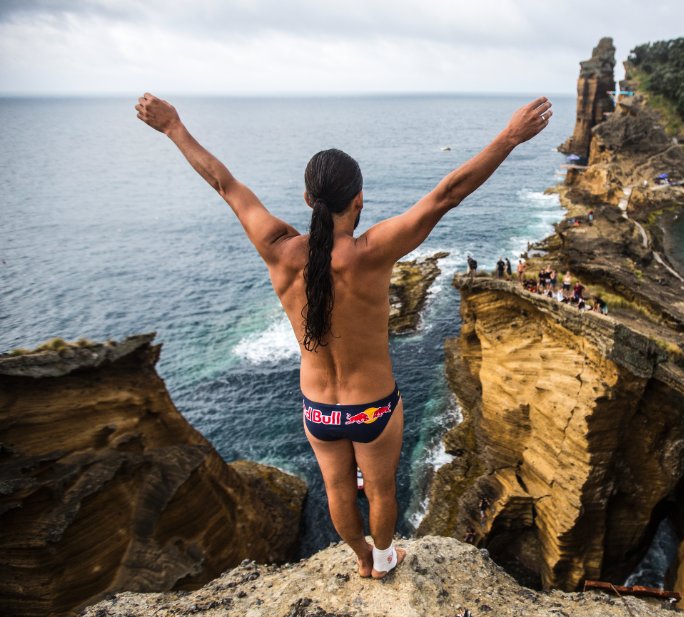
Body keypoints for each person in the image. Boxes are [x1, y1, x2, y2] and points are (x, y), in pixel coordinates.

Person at [136, 92, 552, 579]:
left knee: (338, 490)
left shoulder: (277, 249)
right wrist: (509, 137)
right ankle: (383, 558)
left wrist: (173, 128)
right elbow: (447, 195)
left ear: (308, 200)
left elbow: (224, 184)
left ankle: (359, 559)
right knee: (380, 490)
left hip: (317, 408)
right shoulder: (372, 252)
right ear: (358, 200)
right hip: (373, 405)